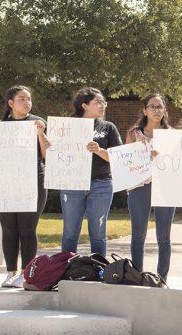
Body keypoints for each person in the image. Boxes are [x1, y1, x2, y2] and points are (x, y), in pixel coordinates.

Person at [0, 85, 49, 288]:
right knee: (8, 229)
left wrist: (40, 133)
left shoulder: (38, 123)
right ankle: (11, 272)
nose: (27, 103)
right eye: (22, 99)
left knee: (27, 229)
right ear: (11, 103)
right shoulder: (1, 126)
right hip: (6, 184)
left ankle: (27, 274)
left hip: (33, 181)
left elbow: (47, 154)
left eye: (29, 99)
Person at [60, 87, 122, 256]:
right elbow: (56, 154)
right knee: (70, 232)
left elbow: (118, 158)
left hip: (101, 184)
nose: (103, 106)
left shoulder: (108, 127)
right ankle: (65, 271)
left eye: (104, 102)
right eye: (98, 102)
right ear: (85, 105)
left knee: (98, 233)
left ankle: (99, 270)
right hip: (72, 183)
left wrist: (99, 150)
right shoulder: (66, 126)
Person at [125, 94, 175, 281]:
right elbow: (126, 162)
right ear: (144, 110)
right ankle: (137, 275)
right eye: (152, 106)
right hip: (139, 187)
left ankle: (162, 278)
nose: (156, 110)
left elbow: (177, 164)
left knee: (164, 236)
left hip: (165, 189)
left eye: (159, 107)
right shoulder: (134, 133)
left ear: (164, 110)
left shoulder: (171, 134)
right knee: (138, 234)